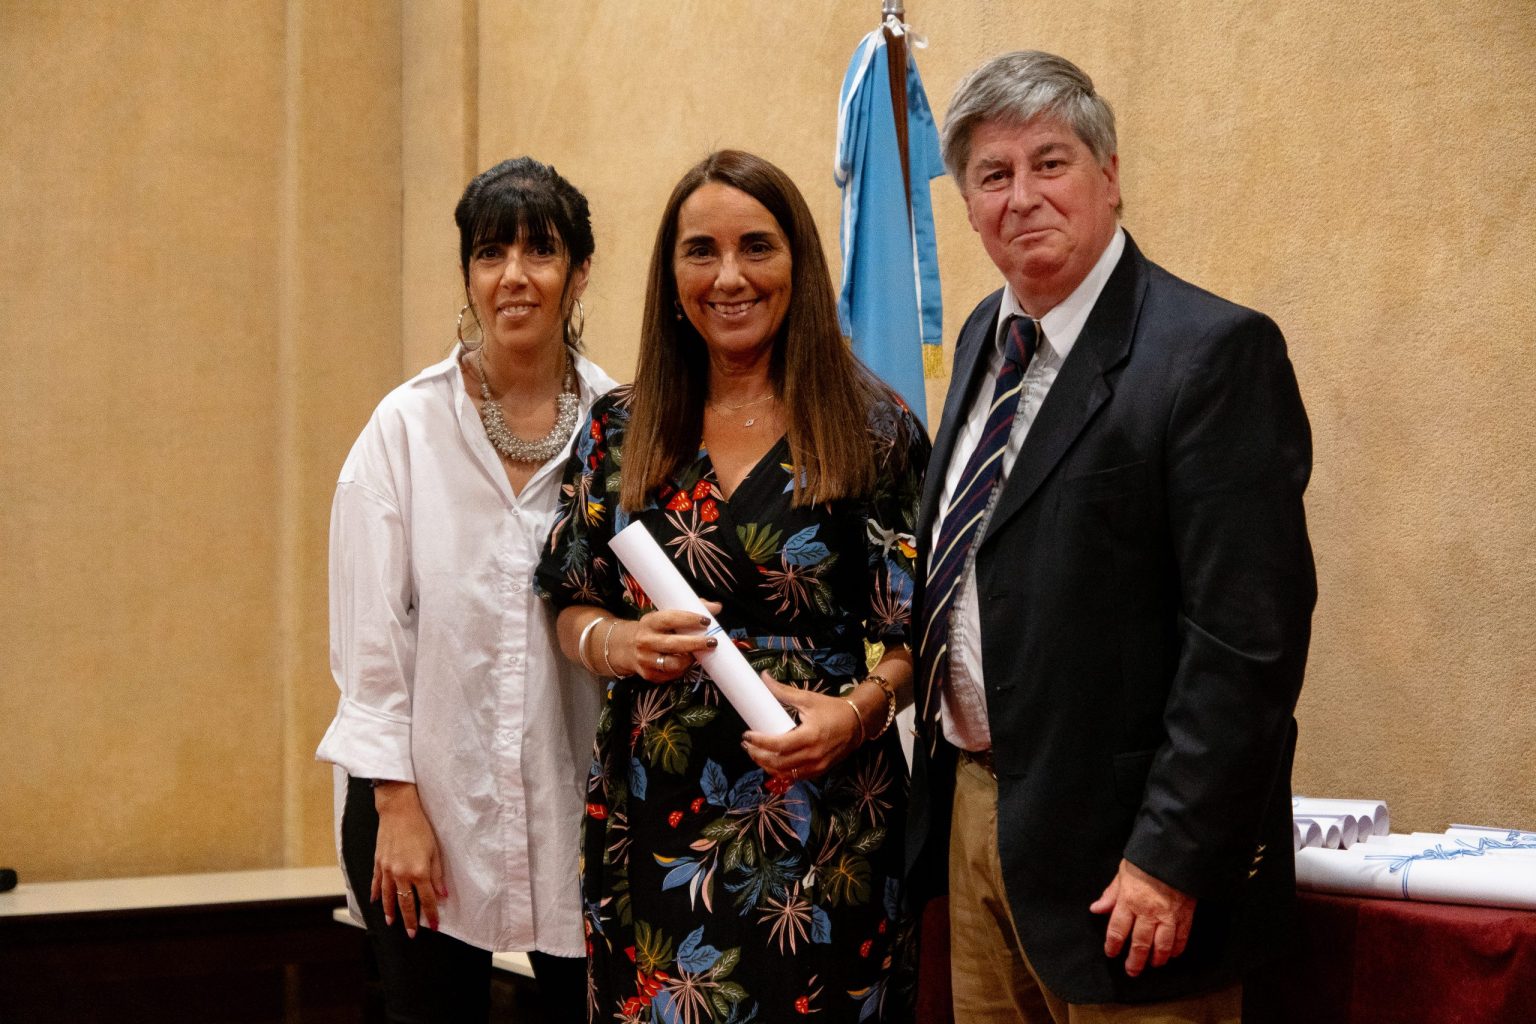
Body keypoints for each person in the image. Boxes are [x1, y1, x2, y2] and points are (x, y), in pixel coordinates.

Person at [906, 51, 1317, 1022]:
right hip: (978, 823)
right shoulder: (983, 337)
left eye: (1049, 163)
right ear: (966, 204)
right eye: (993, 175)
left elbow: (1246, 643)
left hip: (1128, 868)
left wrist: (1171, 857)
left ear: (1110, 174)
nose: (1022, 197)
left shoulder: (1210, 354)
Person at [535, 149, 928, 1024]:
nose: (729, 277)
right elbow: (570, 598)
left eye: (757, 246)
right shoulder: (621, 427)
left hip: (828, 817)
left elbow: (919, 639)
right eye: (700, 251)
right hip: (656, 815)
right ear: (672, 275)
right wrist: (619, 642)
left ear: (799, 262)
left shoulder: (874, 429)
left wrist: (859, 714)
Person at [316, 156, 616, 1024]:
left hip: (577, 806)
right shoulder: (404, 429)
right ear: (469, 276)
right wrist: (397, 804)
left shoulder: (625, 425)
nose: (514, 275)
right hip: (421, 807)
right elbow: (371, 644)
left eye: (540, 251)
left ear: (579, 272)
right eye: (491, 253)